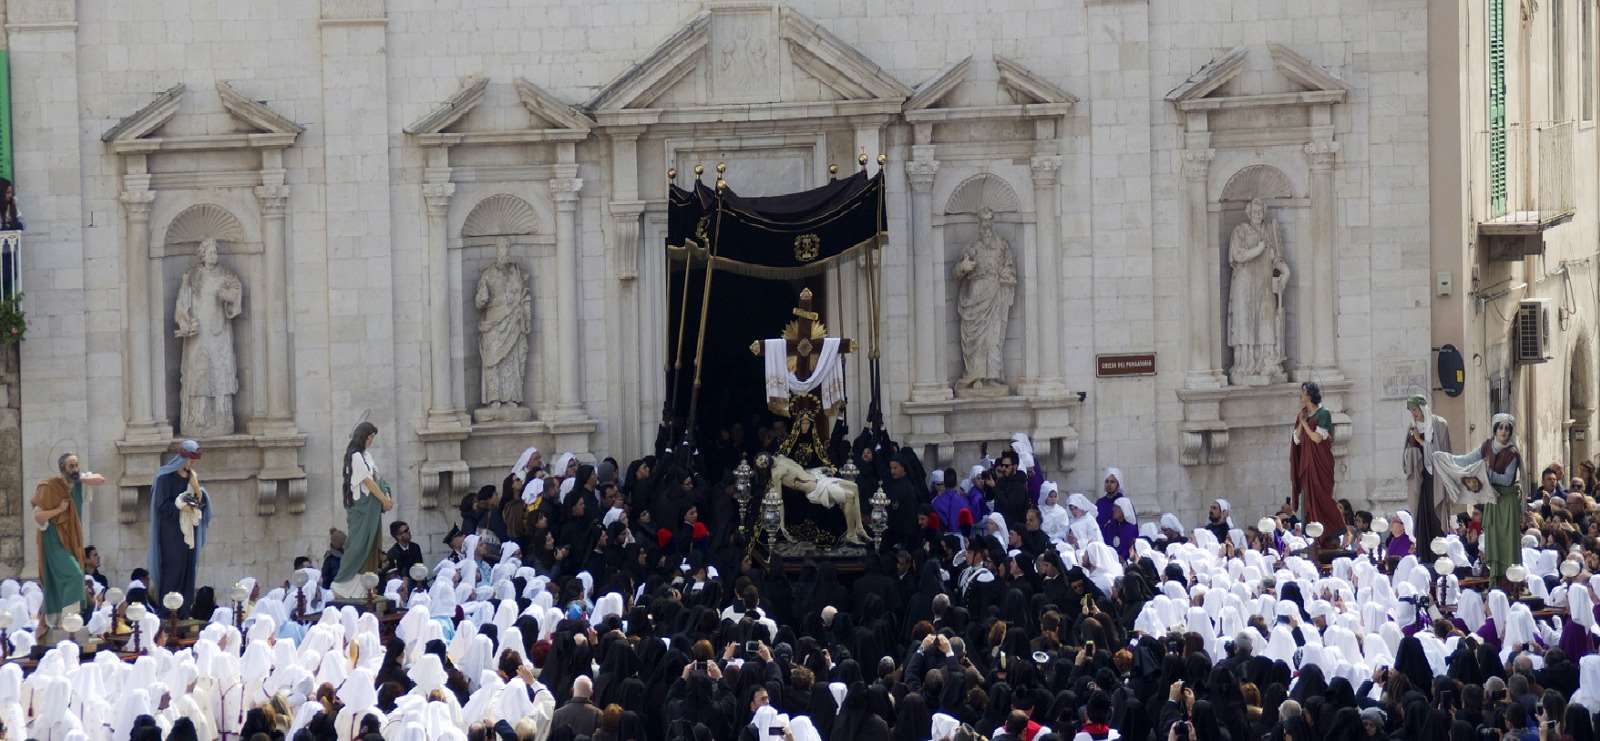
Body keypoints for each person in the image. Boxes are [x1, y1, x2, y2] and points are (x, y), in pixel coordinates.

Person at [1442, 413, 1524, 582]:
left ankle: (1510, 580)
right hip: (1492, 501)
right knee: (1493, 538)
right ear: (1495, 429)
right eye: (1500, 427)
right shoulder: (1487, 446)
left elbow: (1507, 479)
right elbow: (1468, 459)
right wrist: (1448, 459)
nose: (1503, 431)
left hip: (1507, 502)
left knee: (1507, 541)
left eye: (1507, 428)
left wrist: (1484, 473)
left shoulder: (1512, 453)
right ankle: (1495, 577)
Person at [32, 451, 104, 629]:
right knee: (74, 574)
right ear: (62, 468)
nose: (75, 469)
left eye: (76, 465)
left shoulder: (78, 483)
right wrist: (58, 510)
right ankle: (68, 619)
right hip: (53, 541)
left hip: (72, 541)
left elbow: (101, 480)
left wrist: (81, 477)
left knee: (68, 580)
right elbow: (38, 517)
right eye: (71, 466)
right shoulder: (49, 486)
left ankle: (60, 621)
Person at [332, 422, 393, 599]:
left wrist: (386, 496)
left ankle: (367, 588)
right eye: (369, 437)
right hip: (362, 508)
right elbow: (368, 481)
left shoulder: (367, 456)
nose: (371, 440)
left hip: (373, 508)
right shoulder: (356, 456)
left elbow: (378, 478)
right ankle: (343, 585)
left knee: (372, 545)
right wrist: (383, 499)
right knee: (358, 545)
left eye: (373, 437)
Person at [149, 439, 211, 616]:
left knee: (187, 570)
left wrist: (196, 486)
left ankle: (183, 611)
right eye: (189, 460)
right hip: (171, 534)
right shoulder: (164, 479)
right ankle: (168, 613)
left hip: (189, 533)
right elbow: (161, 506)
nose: (191, 465)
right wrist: (181, 508)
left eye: (194, 462)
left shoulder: (192, 478)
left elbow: (201, 503)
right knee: (173, 570)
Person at [1291, 382, 1345, 547]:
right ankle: (1316, 537)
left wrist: (1305, 424)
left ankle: (1336, 531)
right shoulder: (1303, 414)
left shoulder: (1324, 414)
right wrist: (1301, 421)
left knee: (1323, 496)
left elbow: (1317, 438)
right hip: (1307, 464)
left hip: (1321, 463)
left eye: (1303, 393)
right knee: (1309, 499)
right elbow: (1296, 439)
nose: (1301, 396)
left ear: (1310, 395)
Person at [1403, 395, 1453, 550]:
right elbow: (1406, 457)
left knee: (1436, 516)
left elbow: (1441, 454)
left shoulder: (1439, 425)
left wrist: (1420, 441)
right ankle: (1425, 554)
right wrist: (1412, 449)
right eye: (1411, 410)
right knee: (1423, 517)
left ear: (1423, 408)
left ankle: (1439, 553)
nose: (1413, 413)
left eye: (1415, 409)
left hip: (1436, 478)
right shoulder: (1413, 427)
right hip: (1422, 478)